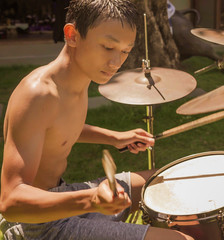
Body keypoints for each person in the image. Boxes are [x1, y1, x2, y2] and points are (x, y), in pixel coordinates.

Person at [0, 0, 193, 239]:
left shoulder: (73, 82)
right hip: (41, 226)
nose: (116, 63)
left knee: (164, 181)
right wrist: (91, 200)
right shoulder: (38, 95)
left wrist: (114, 137)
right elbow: (10, 202)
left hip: (62, 194)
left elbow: (57, 129)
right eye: (107, 47)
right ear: (72, 35)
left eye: (125, 51)